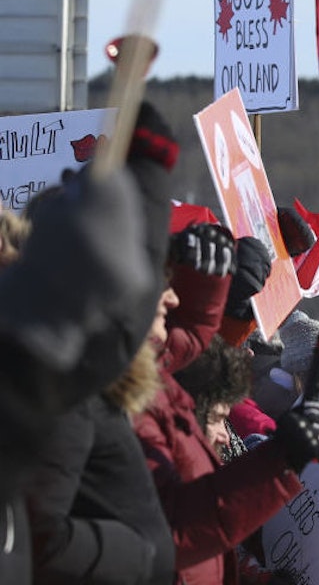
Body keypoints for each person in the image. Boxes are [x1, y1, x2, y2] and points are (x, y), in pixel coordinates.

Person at [16, 103, 180, 584]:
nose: (163, 296)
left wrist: (148, 176)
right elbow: (40, 537)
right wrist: (140, 553)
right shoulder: (59, 380)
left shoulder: (88, 363)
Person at [134, 223, 319, 585]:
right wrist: (277, 460)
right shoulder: (137, 418)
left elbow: (194, 349)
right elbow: (181, 529)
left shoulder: (173, 405)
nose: (226, 436)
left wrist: (238, 295)